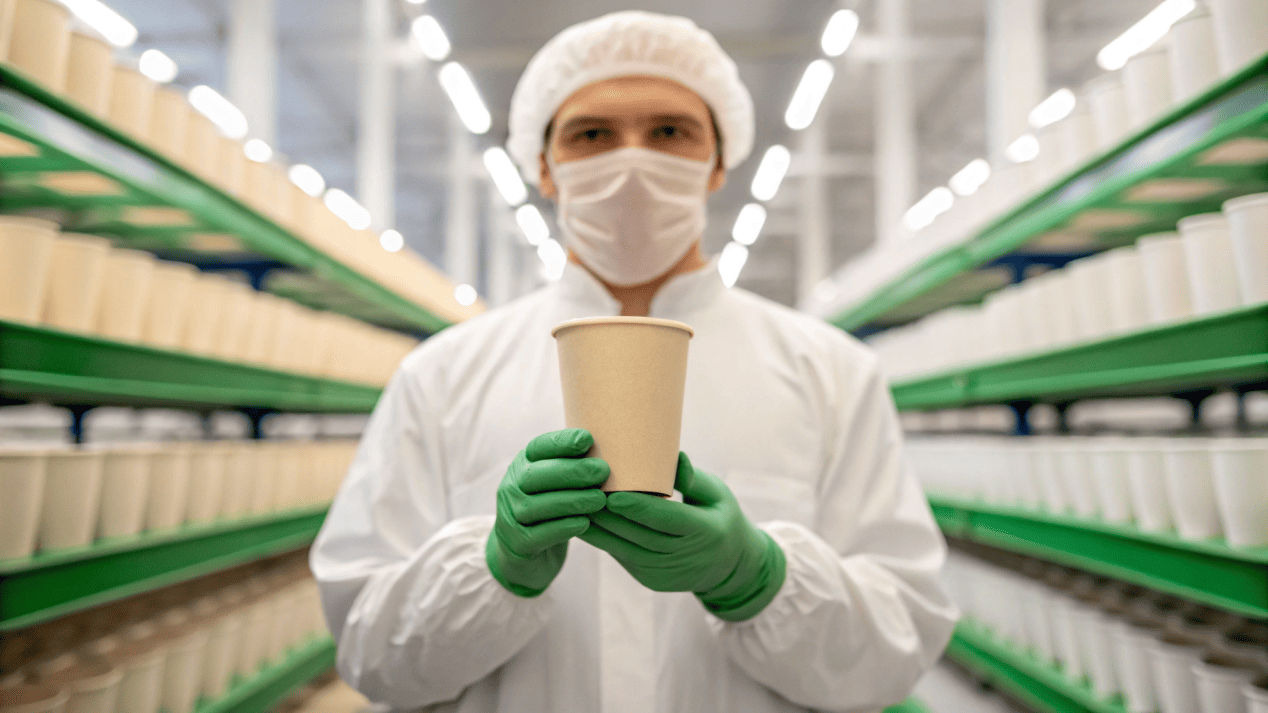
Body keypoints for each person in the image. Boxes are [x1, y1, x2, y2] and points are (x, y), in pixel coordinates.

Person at [310, 10, 957, 713]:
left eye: (670, 131)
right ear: (544, 167)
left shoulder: (831, 373)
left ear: (717, 162)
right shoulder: (441, 377)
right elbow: (369, 650)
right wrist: (493, 572)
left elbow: (899, 646)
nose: (632, 160)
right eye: (592, 134)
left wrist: (760, 578)